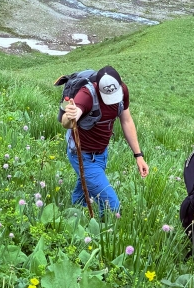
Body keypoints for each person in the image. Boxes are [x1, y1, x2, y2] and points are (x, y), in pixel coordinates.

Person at [60, 65, 149, 214]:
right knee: (112, 206)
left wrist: (138, 155)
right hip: (81, 153)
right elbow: (67, 123)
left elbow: (126, 121)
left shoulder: (122, 90)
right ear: (98, 88)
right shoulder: (87, 95)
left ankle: (74, 213)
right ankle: (104, 231)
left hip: (101, 152)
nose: (112, 101)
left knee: (87, 185)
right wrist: (69, 115)